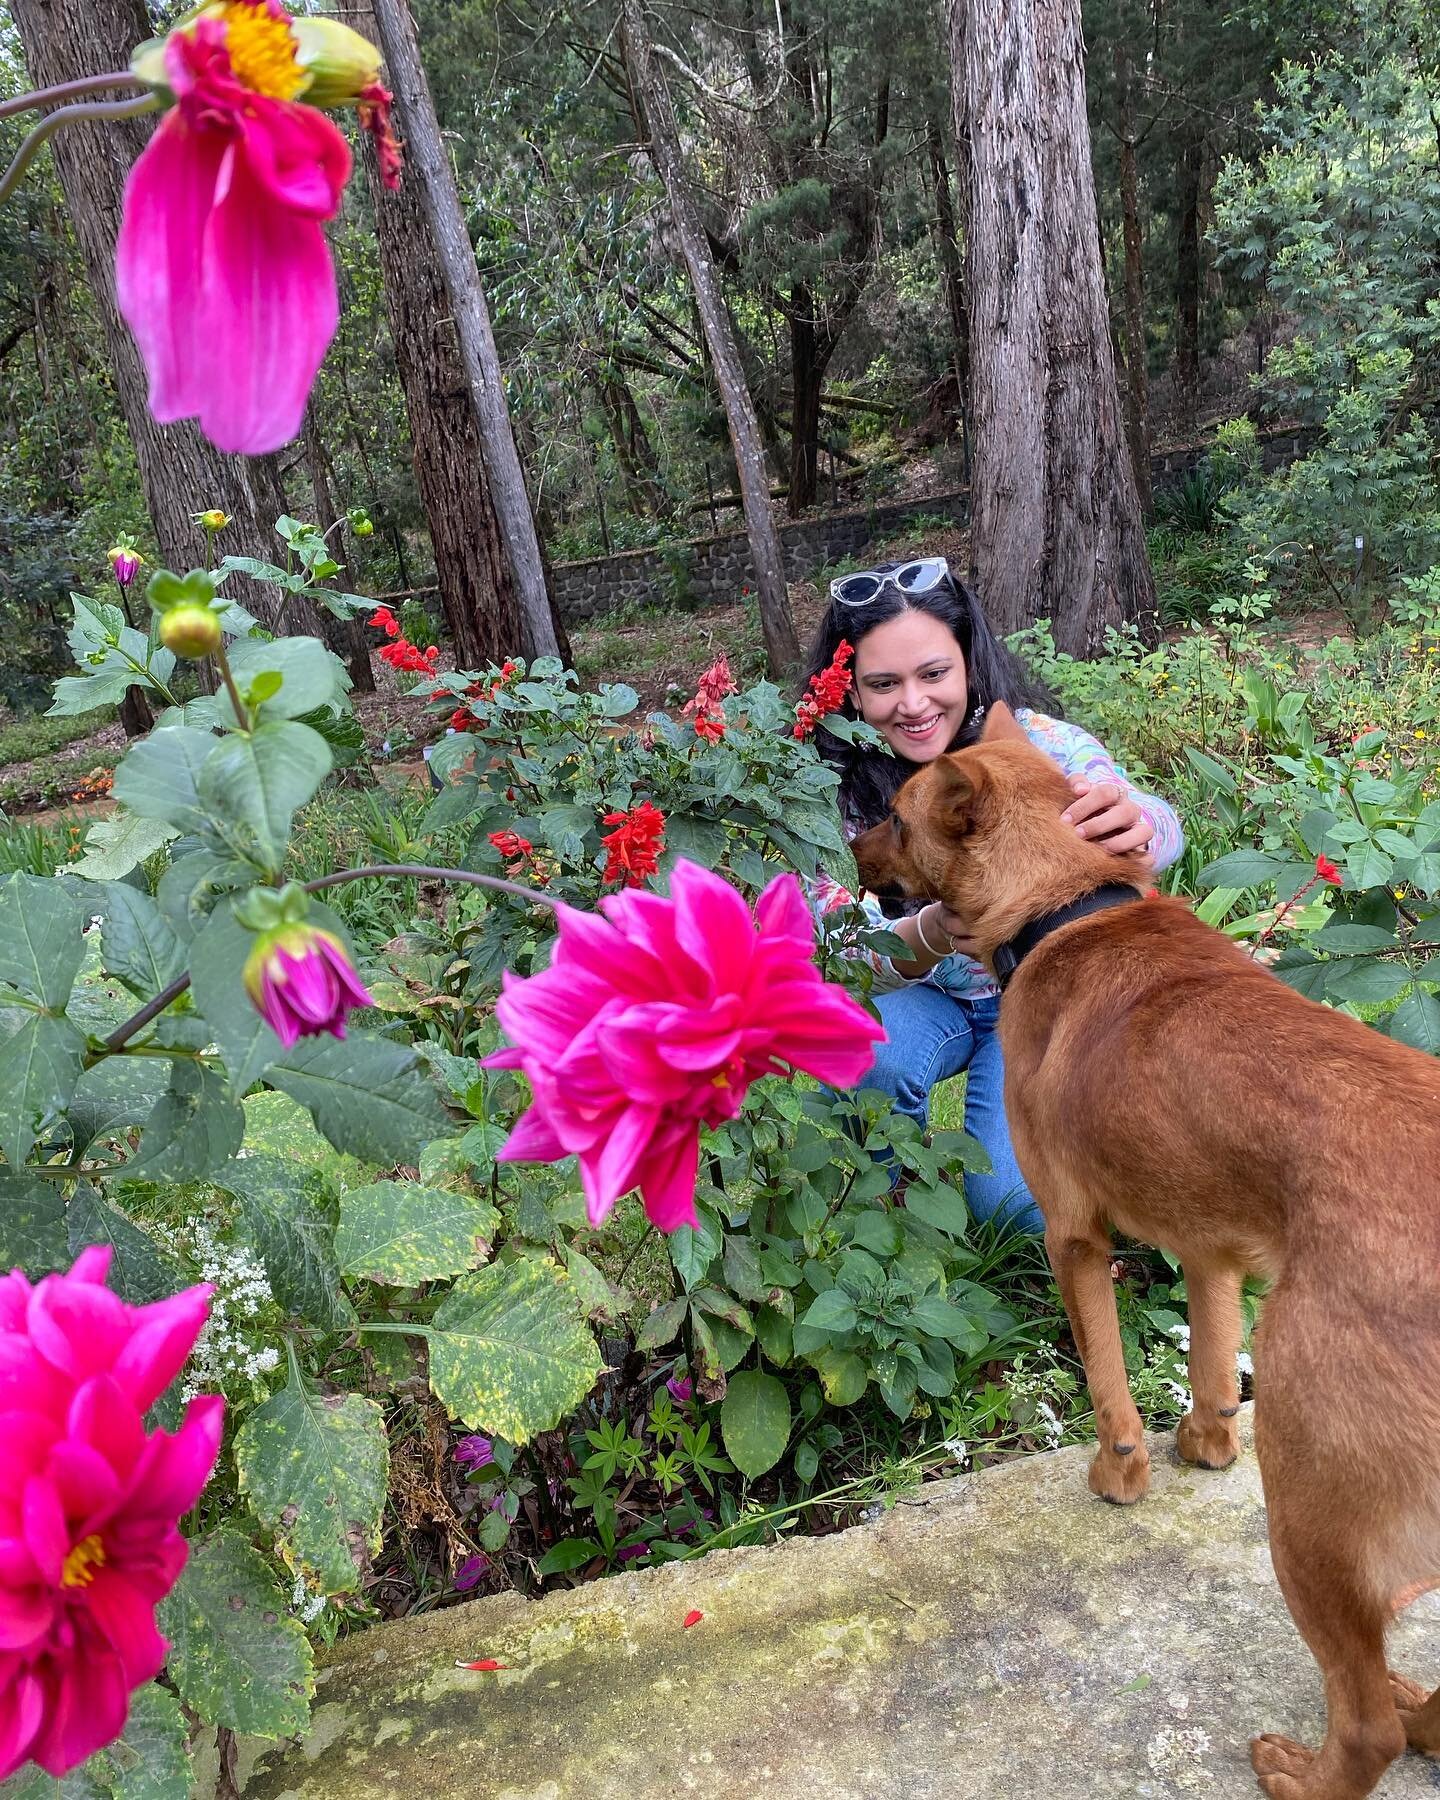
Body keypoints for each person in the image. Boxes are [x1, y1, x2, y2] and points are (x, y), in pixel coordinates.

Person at [804, 557, 1184, 1234]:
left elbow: (1153, 818)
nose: (914, 704)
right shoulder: (824, 796)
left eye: (933, 674)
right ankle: (881, 1203)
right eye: (884, 684)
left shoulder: (1033, 745)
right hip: (929, 1000)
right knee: (868, 1047)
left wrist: (1139, 824)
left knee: (1015, 1212)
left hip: (1043, 1003)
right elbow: (837, 954)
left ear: (968, 663)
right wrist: (933, 932)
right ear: (850, 693)